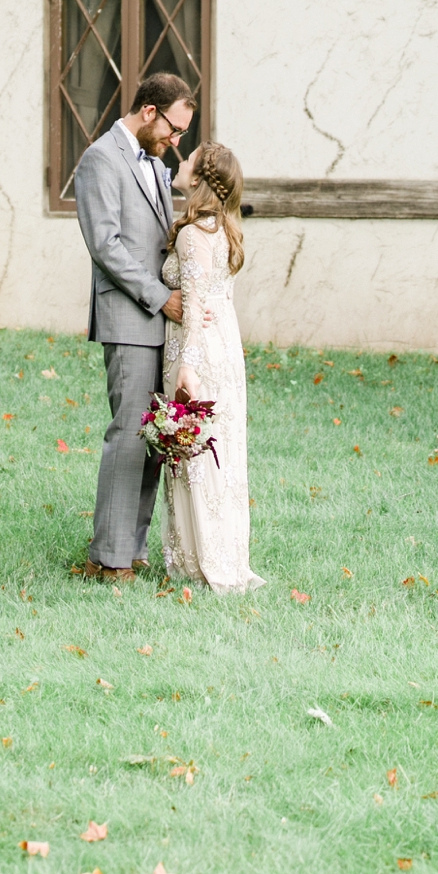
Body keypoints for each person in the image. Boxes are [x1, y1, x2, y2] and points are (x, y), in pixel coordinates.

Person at [73, 71, 196, 582]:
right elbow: (106, 246)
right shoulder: (100, 160)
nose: (176, 140)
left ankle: (132, 549)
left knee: (154, 438)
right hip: (130, 316)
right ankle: (109, 559)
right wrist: (160, 296)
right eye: (174, 129)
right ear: (149, 112)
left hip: (161, 319)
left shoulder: (155, 163)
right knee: (128, 434)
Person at [161, 142, 264, 595]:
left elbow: (196, 300)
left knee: (194, 454)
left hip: (196, 350)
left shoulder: (190, 235)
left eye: (189, 160)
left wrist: (188, 368)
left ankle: (200, 561)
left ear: (199, 179)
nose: (180, 163)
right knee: (218, 454)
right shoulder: (223, 230)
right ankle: (222, 554)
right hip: (224, 345)